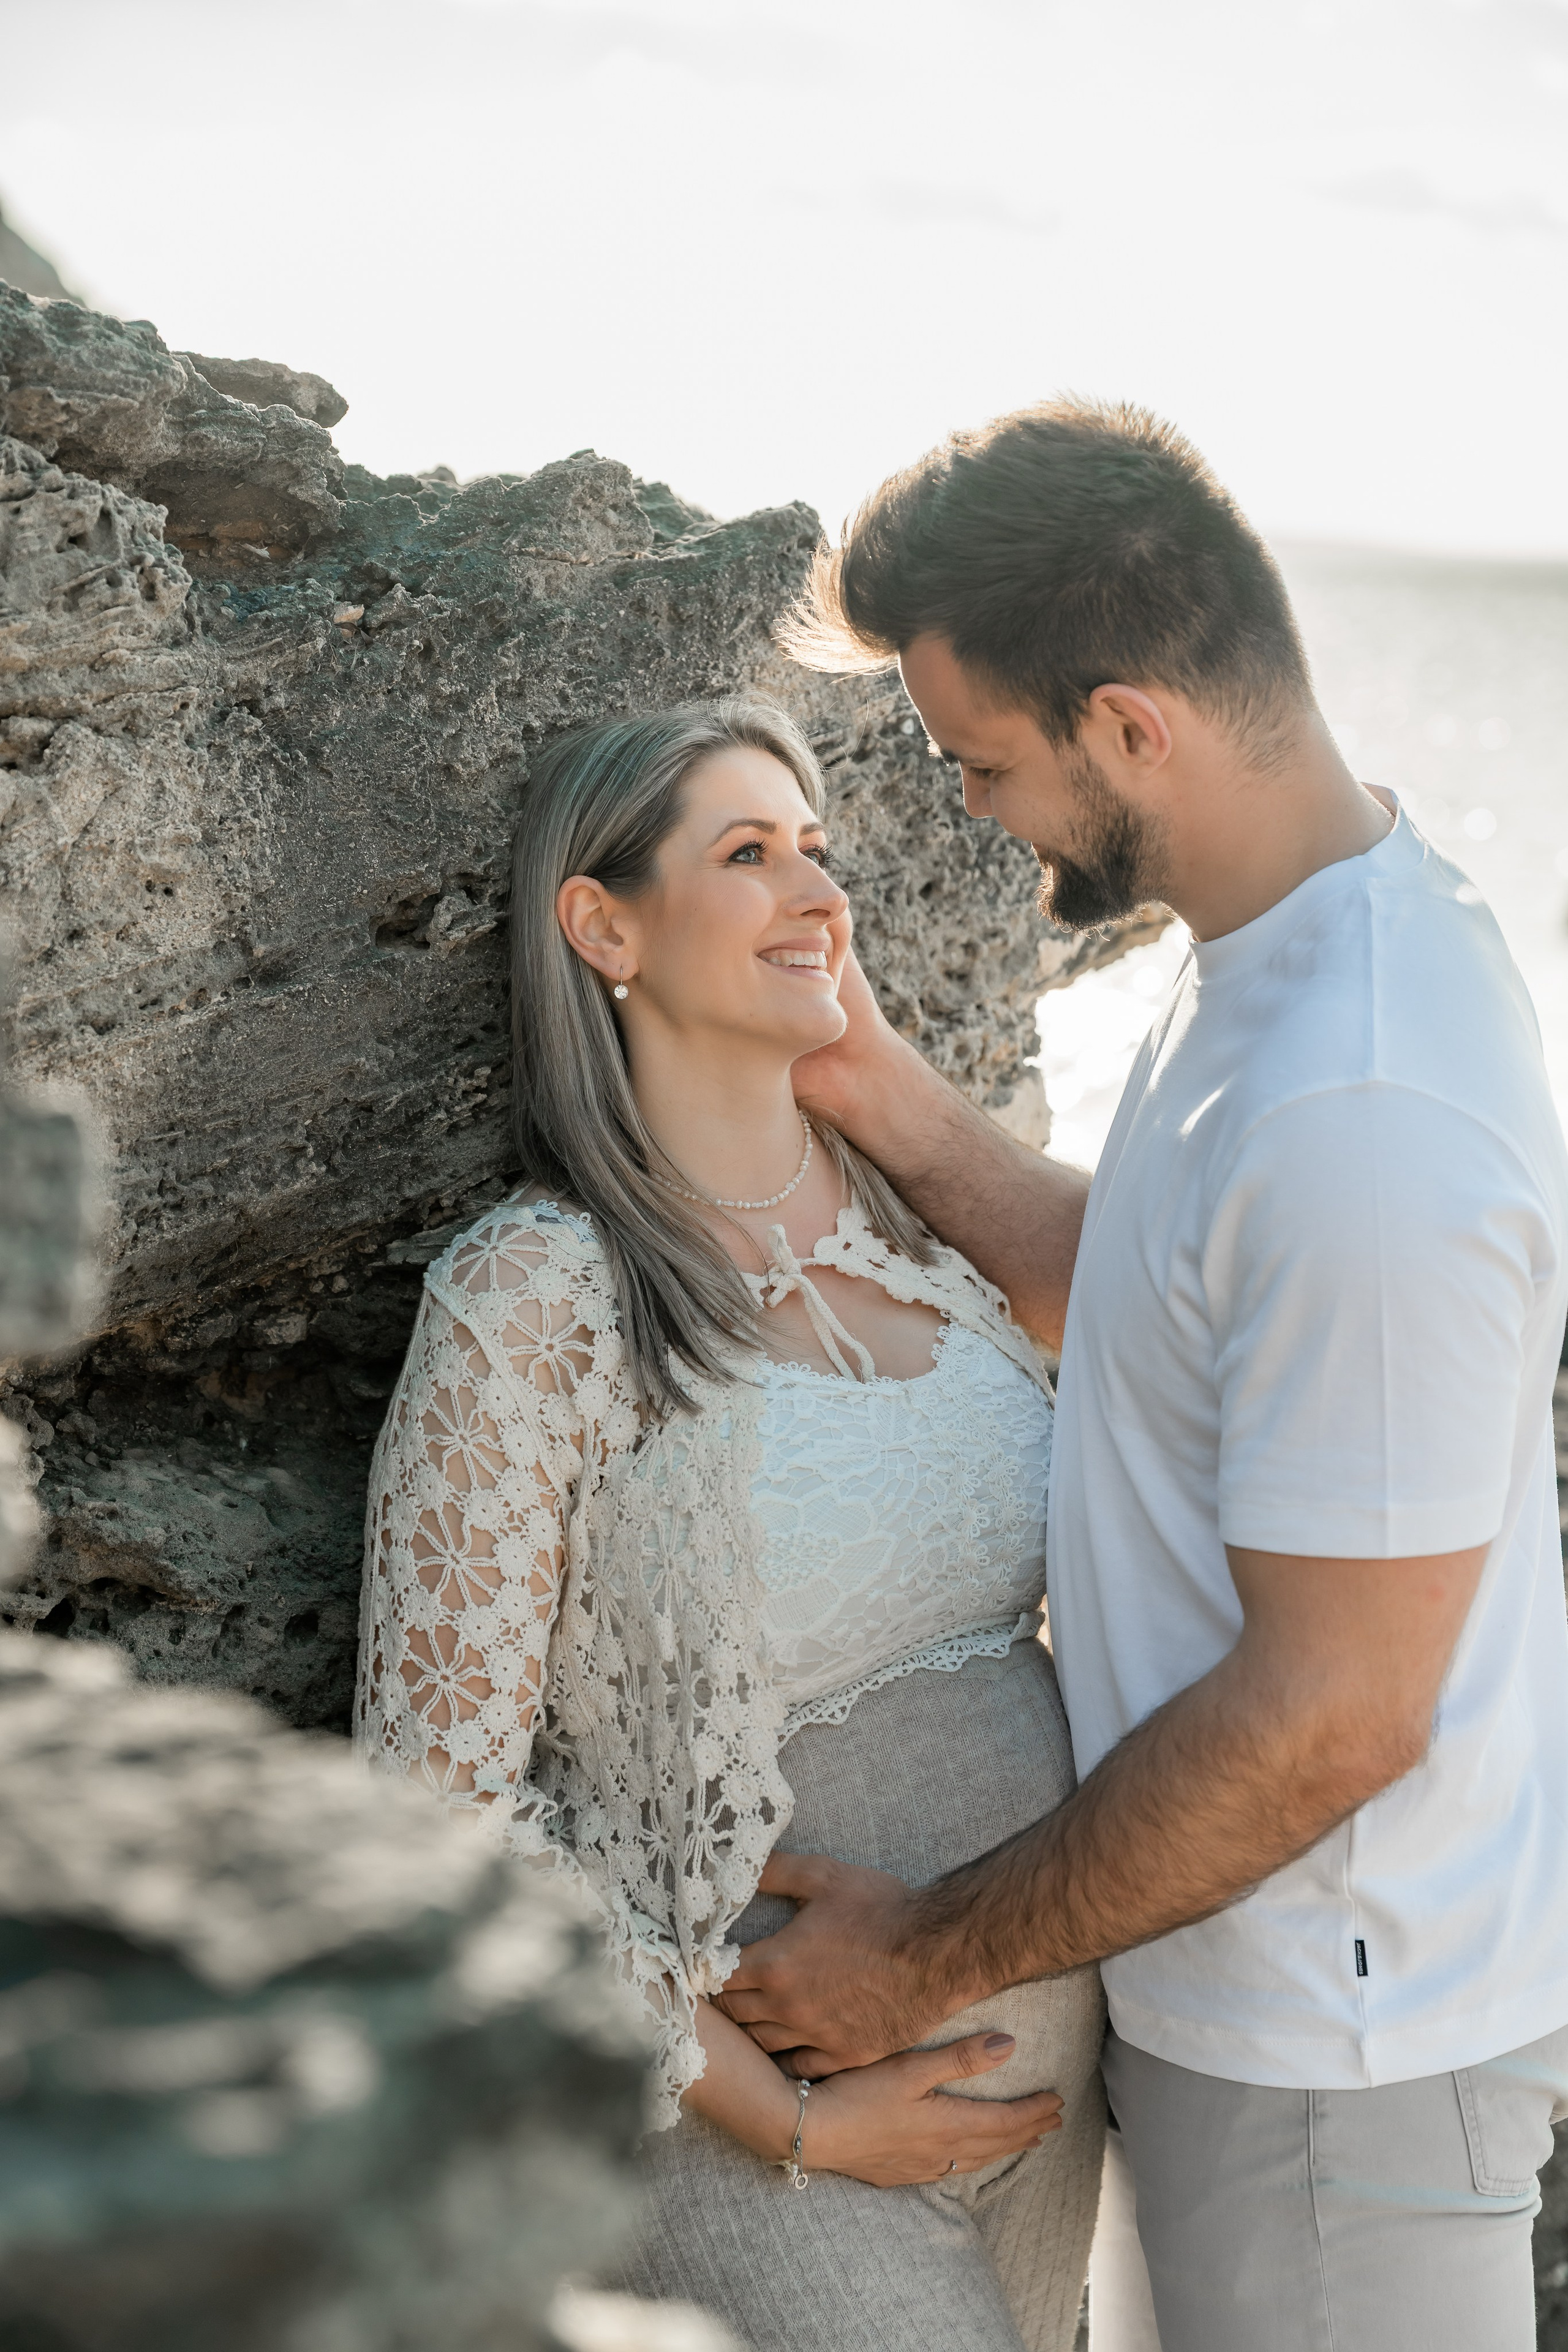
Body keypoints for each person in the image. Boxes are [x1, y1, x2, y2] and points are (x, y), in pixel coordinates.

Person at [719, 398, 1568, 2352]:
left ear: (1127, 727)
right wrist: (870, 1087)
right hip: (1253, 2020)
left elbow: (1334, 1715)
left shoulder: (1362, 1104)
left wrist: (918, 1959)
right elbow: (1167, 1300)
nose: (971, 811)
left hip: (1338, 2067)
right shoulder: (1296, 944)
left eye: (984, 763)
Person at [355, 699, 1107, 2352]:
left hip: (1057, 2099)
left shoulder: (931, 1237)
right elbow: (434, 1820)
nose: (817, 891)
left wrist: (876, 1082)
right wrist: (793, 2121)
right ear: (604, 926)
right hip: (752, 2136)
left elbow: (1188, 1311)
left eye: (819, 850)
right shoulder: (532, 1295)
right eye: (750, 853)